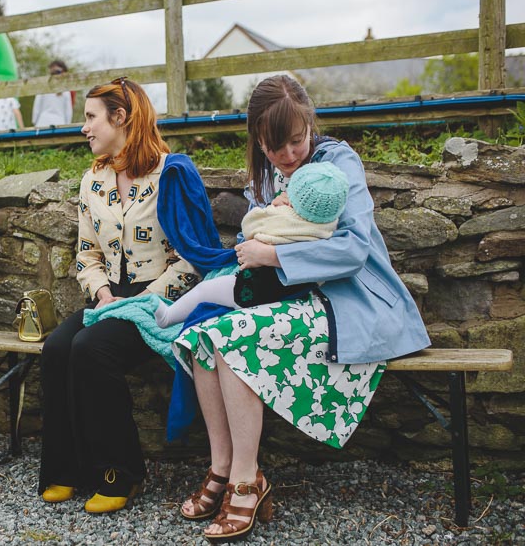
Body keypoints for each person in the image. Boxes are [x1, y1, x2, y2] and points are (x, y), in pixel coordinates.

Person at [174, 75, 430, 542]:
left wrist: (270, 255)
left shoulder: (337, 163)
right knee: (198, 338)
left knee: (233, 339)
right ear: (257, 139)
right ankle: (223, 465)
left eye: (296, 140)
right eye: (275, 147)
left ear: (309, 124)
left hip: (353, 303)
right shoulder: (264, 175)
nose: (289, 155)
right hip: (294, 299)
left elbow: (352, 250)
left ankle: (247, 482)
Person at [38, 77, 237, 514]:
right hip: (110, 297)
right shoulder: (92, 179)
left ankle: (119, 474)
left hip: (162, 302)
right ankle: (66, 469)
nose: (84, 128)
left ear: (121, 117)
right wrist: (104, 294)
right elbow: (86, 253)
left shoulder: (173, 173)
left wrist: (144, 299)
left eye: (91, 117)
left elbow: (194, 256)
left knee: (91, 349)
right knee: (56, 347)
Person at [155, 161, 348, 327]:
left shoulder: (284, 217)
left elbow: (250, 226)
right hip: (294, 292)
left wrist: (273, 206)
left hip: (255, 289)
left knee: (206, 290)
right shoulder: (329, 227)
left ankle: (167, 317)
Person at [31, 60, 73, 127]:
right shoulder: (66, 91)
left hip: (42, 122)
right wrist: (67, 124)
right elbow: (68, 112)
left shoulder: (43, 86)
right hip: (60, 123)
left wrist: (35, 121)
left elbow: (37, 106)